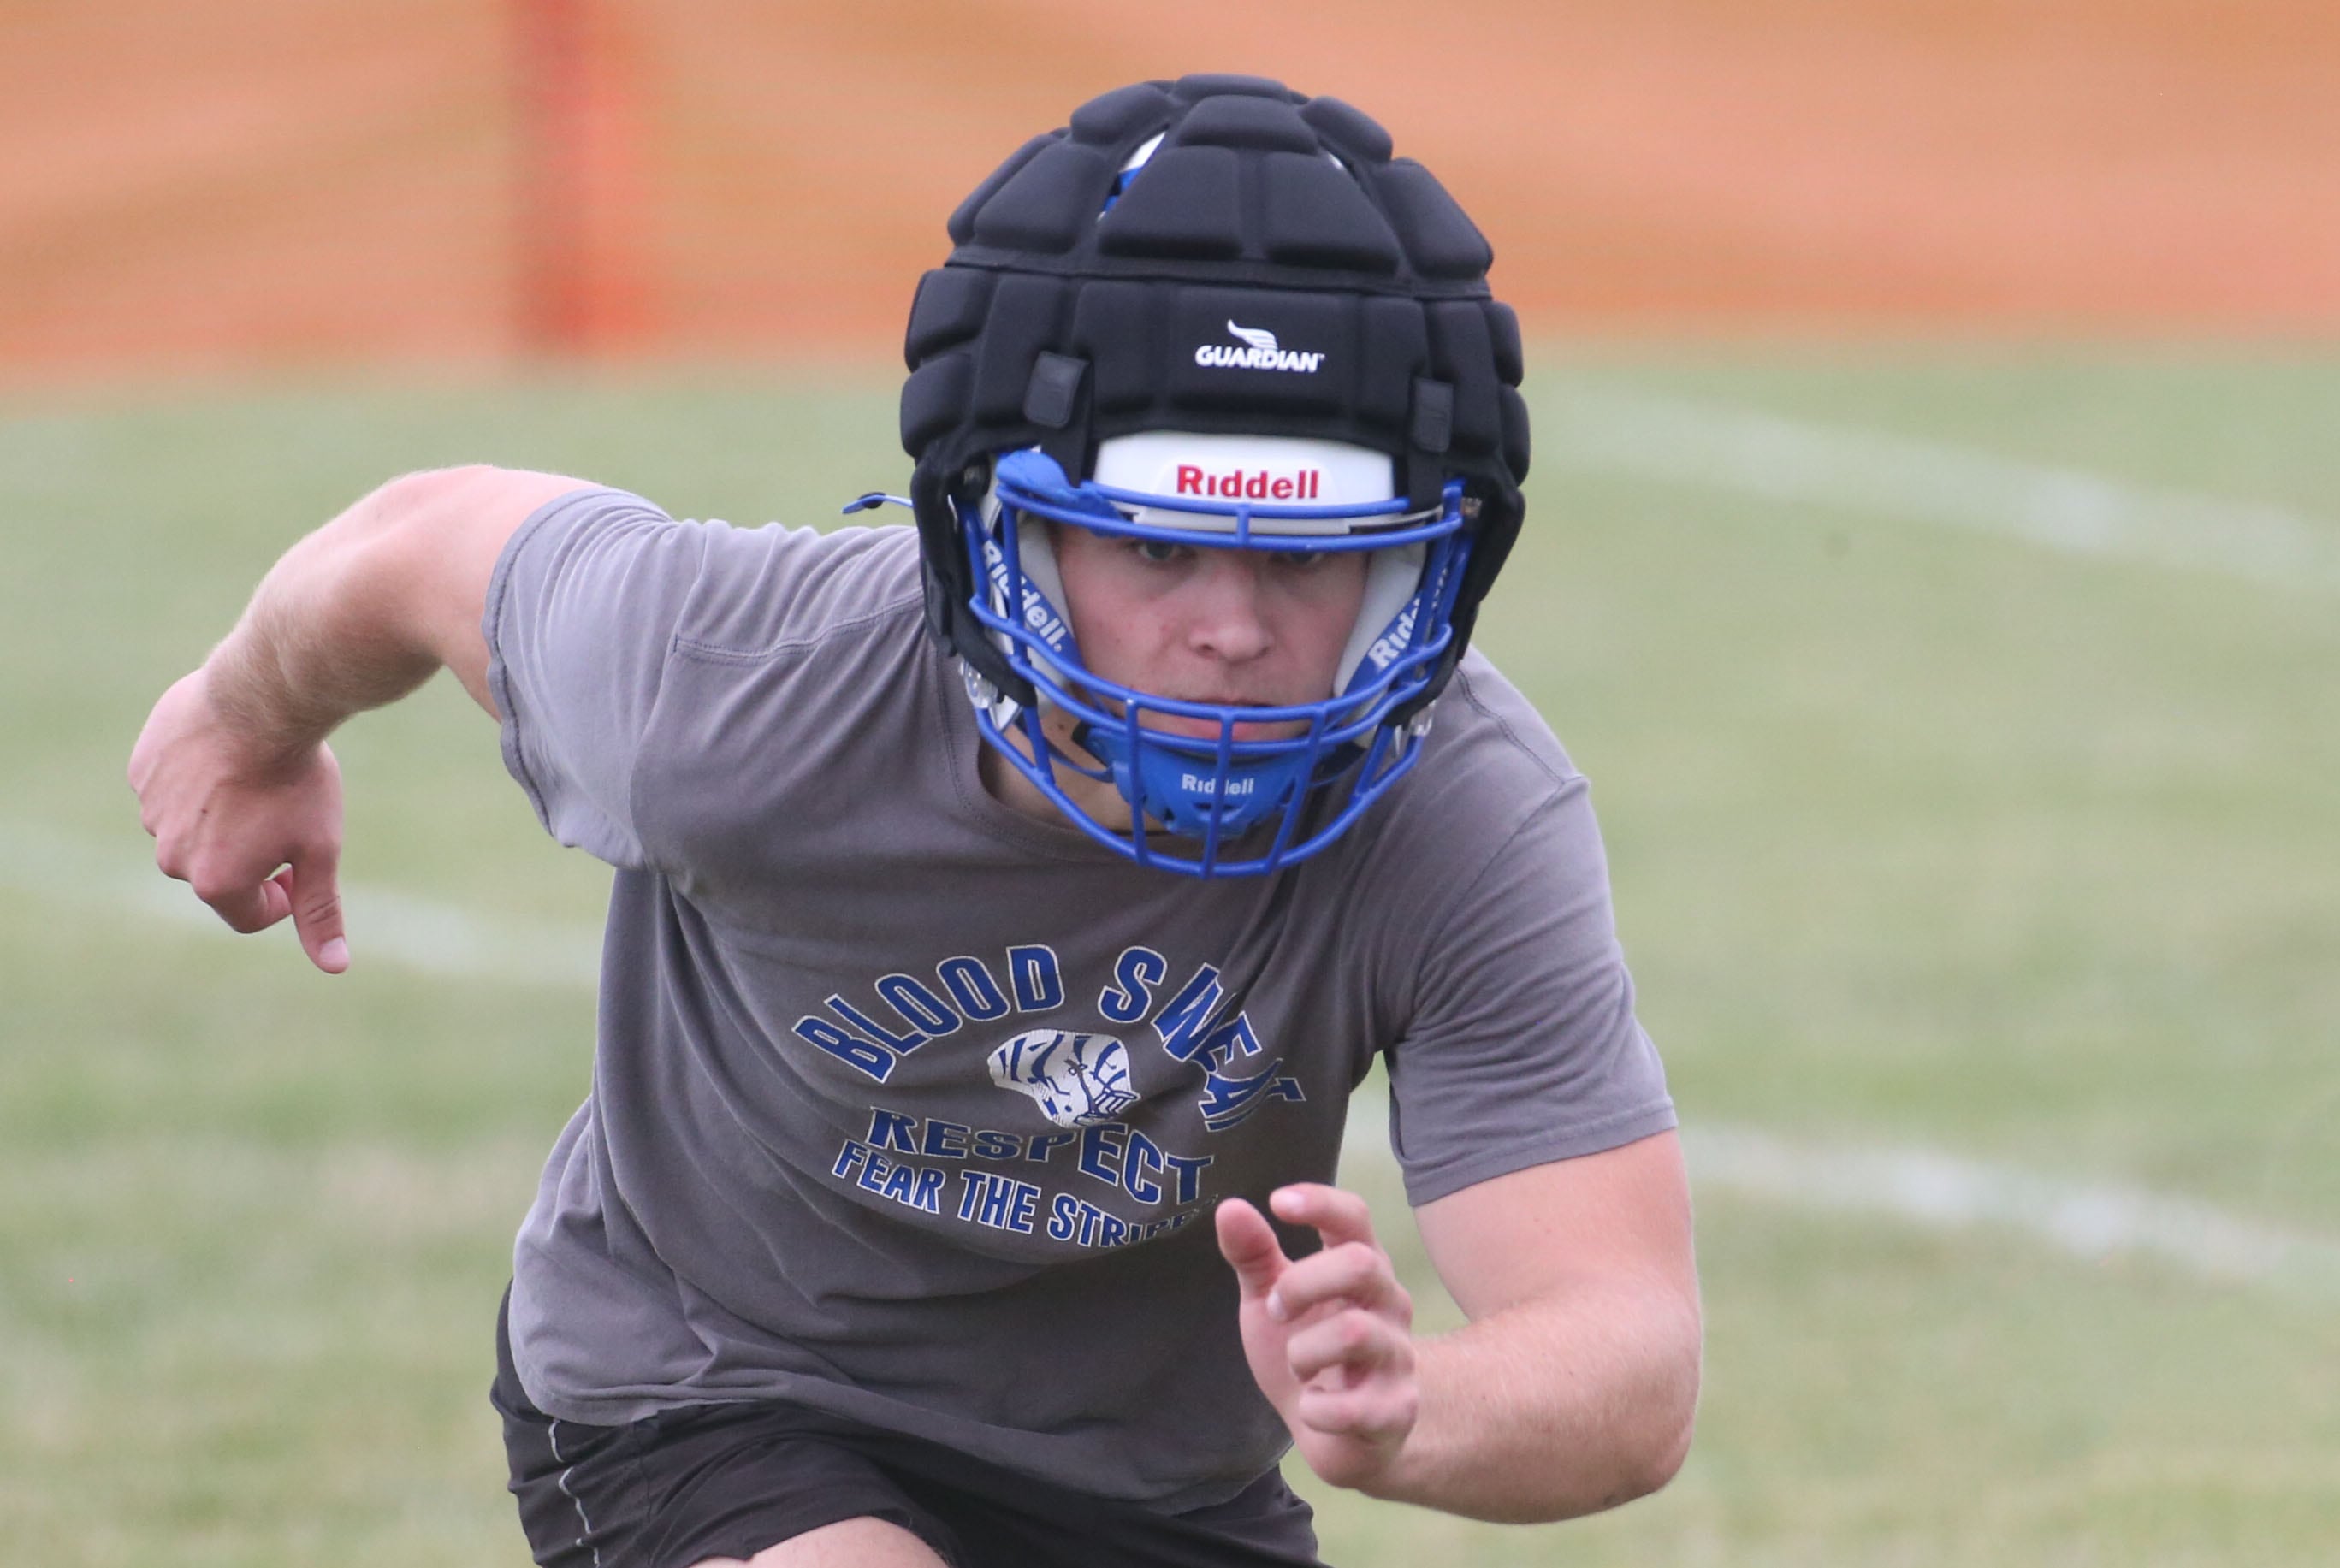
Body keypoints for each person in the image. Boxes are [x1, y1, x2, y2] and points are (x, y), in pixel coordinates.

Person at [128, 75, 1699, 1568]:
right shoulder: (741, 682)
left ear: (1418, 568)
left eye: (1305, 562)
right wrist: (245, 716)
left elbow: (1627, 1353)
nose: (1231, 629)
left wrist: (1418, 1405)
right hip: (713, 1383)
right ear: (1002, 532)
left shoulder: (1463, 807)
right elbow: (429, 539)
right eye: (1151, 552)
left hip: (1149, 1483)